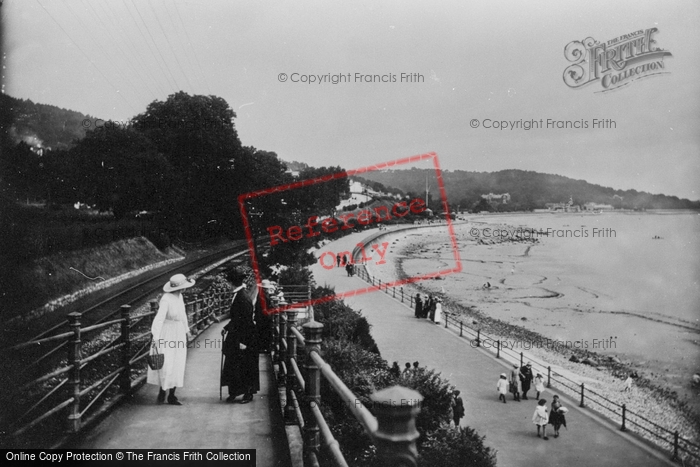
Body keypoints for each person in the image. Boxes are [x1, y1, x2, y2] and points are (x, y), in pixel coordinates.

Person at [147, 274, 194, 406]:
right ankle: (163, 390)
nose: (185, 289)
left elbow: (183, 315)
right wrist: (156, 337)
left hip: (178, 332)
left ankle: (172, 395)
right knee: (167, 362)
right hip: (167, 333)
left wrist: (187, 330)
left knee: (178, 362)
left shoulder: (180, 297)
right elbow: (159, 318)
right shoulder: (166, 299)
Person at [221, 270, 259, 403]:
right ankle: (235, 391)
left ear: (232, 283)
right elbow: (237, 317)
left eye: (228, 282)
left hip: (244, 337)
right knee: (234, 364)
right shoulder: (240, 294)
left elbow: (246, 321)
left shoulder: (242, 297)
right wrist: (226, 328)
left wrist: (244, 341)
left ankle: (248, 394)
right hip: (237, 334)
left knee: (244, 365)